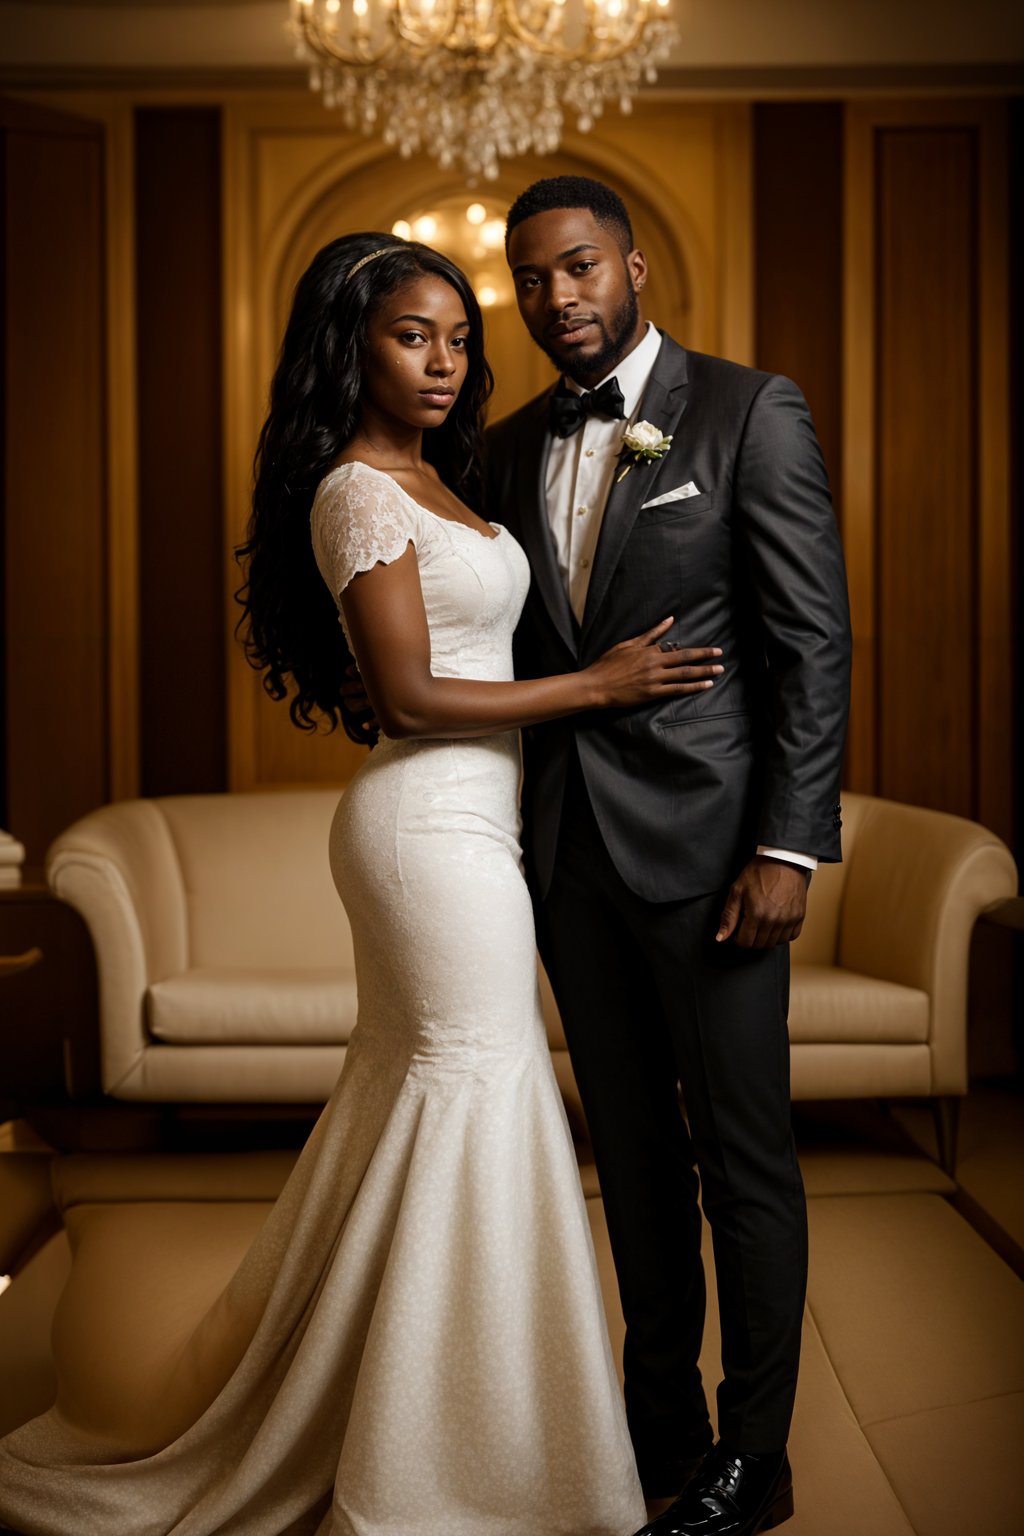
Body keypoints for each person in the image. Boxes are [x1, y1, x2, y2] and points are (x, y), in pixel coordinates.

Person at [0, 233, 726, 1536]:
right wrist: (600, 687)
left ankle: (450, 1436)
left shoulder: (441, 478)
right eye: (411, 337)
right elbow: (402, 694)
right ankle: (440, 1475)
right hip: (426, 837)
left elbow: (426, 657)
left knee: (440, 1106)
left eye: (457, 338)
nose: (444, 362)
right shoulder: (354, 491)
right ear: (352, 346)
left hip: (472, 824)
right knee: (480, 1095)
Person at [485, 177, 852, 1536]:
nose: (557, 299)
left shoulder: (750, 411)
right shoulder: (511, 444)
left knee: (746, 1164)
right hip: (570, 863)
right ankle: (661, 1431)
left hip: (718, 863)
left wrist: (789, 847)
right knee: (633, 1163)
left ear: (634, 266)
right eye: (530, 280)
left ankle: (758, 1458)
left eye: (578, 269)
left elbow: (811, 643)